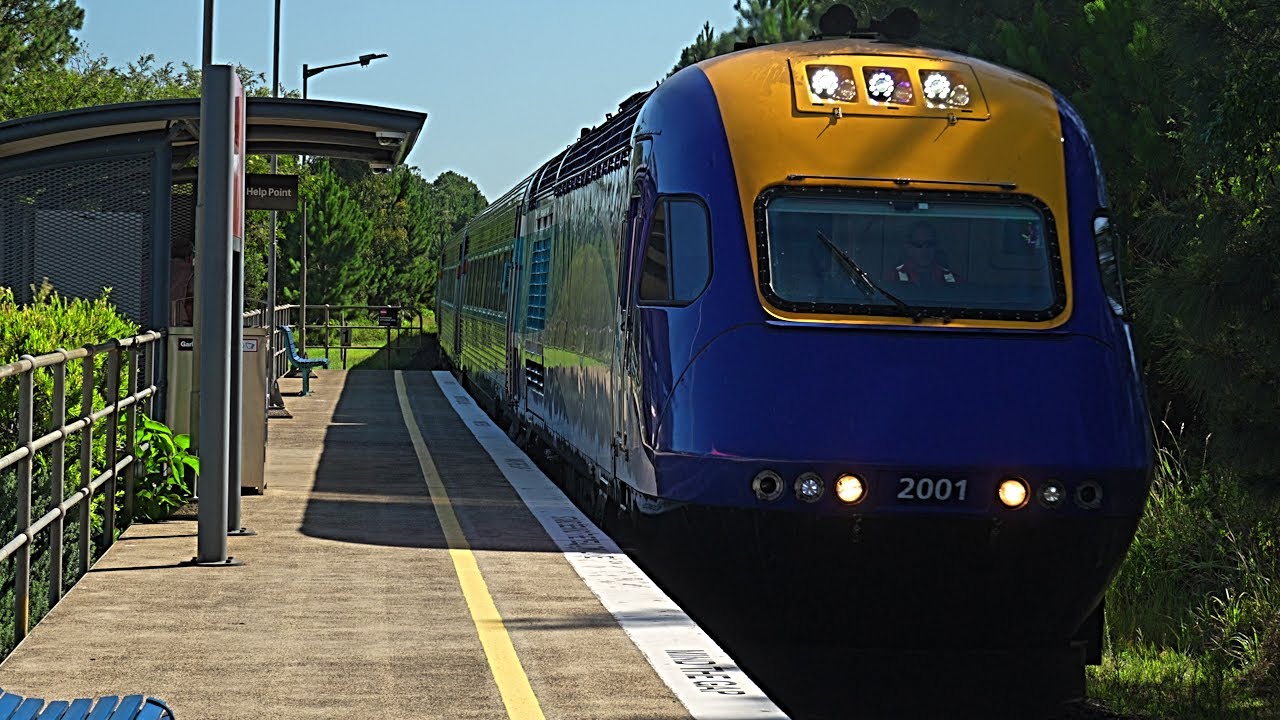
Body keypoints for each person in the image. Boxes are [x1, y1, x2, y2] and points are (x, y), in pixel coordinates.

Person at [887, 222, 960, 286]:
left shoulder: (951, 279)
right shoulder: (894, 277)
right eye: (918, 245)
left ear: (936, 247)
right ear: (908, 247)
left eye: (929, 244)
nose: (924, 250)